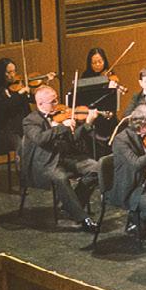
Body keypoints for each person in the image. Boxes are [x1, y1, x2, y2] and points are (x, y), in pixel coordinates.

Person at [20, 86, 98, 231]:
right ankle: (82, 218)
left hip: (62, 159)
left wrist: (87, 124)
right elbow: (40, 139)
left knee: (95, 168)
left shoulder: (59, 117)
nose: (57, 104)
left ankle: (70, 207)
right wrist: (61, 127)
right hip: (43, 164)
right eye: (53, 101)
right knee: (61, 177)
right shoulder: (30, 120)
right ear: (40, 103)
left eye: (56, 100)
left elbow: (73, 139)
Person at [109, 105, 146, 244]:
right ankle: (137, 223)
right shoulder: (121, 140)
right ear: (142, 125)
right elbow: (136, 164)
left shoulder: (145, 135)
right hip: (131, 185)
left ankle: (136, 222)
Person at [0, 58, 34, 161]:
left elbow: (32, 100)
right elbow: (6, 105)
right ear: (1, 73)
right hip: (5, 130)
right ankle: (22, 167)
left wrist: (34, 91)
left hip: (22, 126)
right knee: (21, 144)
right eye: (9, 72)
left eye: (14, 71)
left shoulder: (18, 86)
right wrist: (20, 93)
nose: (12, 75)